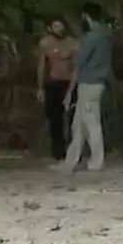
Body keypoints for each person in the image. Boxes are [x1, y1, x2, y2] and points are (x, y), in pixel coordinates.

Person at [55, 3, 113, 173]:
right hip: (97, 82)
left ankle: (96, 161)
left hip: (89, 83)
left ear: (87, 16)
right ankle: (70, 161)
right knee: (78, 124)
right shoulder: (107, 36)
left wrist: (71, 53)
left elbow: (78, 60)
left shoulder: (91, 38)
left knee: (91, 122)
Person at [35, 18, 78, 161]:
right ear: (50, 28)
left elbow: (76, 66)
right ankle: (58, 153)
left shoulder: (72, 43)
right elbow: (41, 66)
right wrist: (40, 88)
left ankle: (74, 150)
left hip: (69, 82)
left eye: (61, 26)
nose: (59, 28)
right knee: (55, 120)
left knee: (73, 118)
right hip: (53, 83)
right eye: (56, 26)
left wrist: (72, 87)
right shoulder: (45, 43)